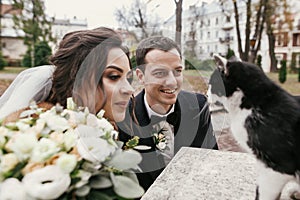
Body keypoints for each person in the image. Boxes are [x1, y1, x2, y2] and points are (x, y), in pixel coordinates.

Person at [118, 36, 218, 191]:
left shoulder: (199, 105)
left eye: (177, 71)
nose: (172, 82)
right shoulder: (123, 117)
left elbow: (212, 161)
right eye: (160, 73)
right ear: (141, 76)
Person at [0, 27, 134, 125]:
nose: (129, 90)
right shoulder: (42, 136)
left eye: (128, 78)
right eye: (114, 76)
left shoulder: (122, 133)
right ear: (77, 80)